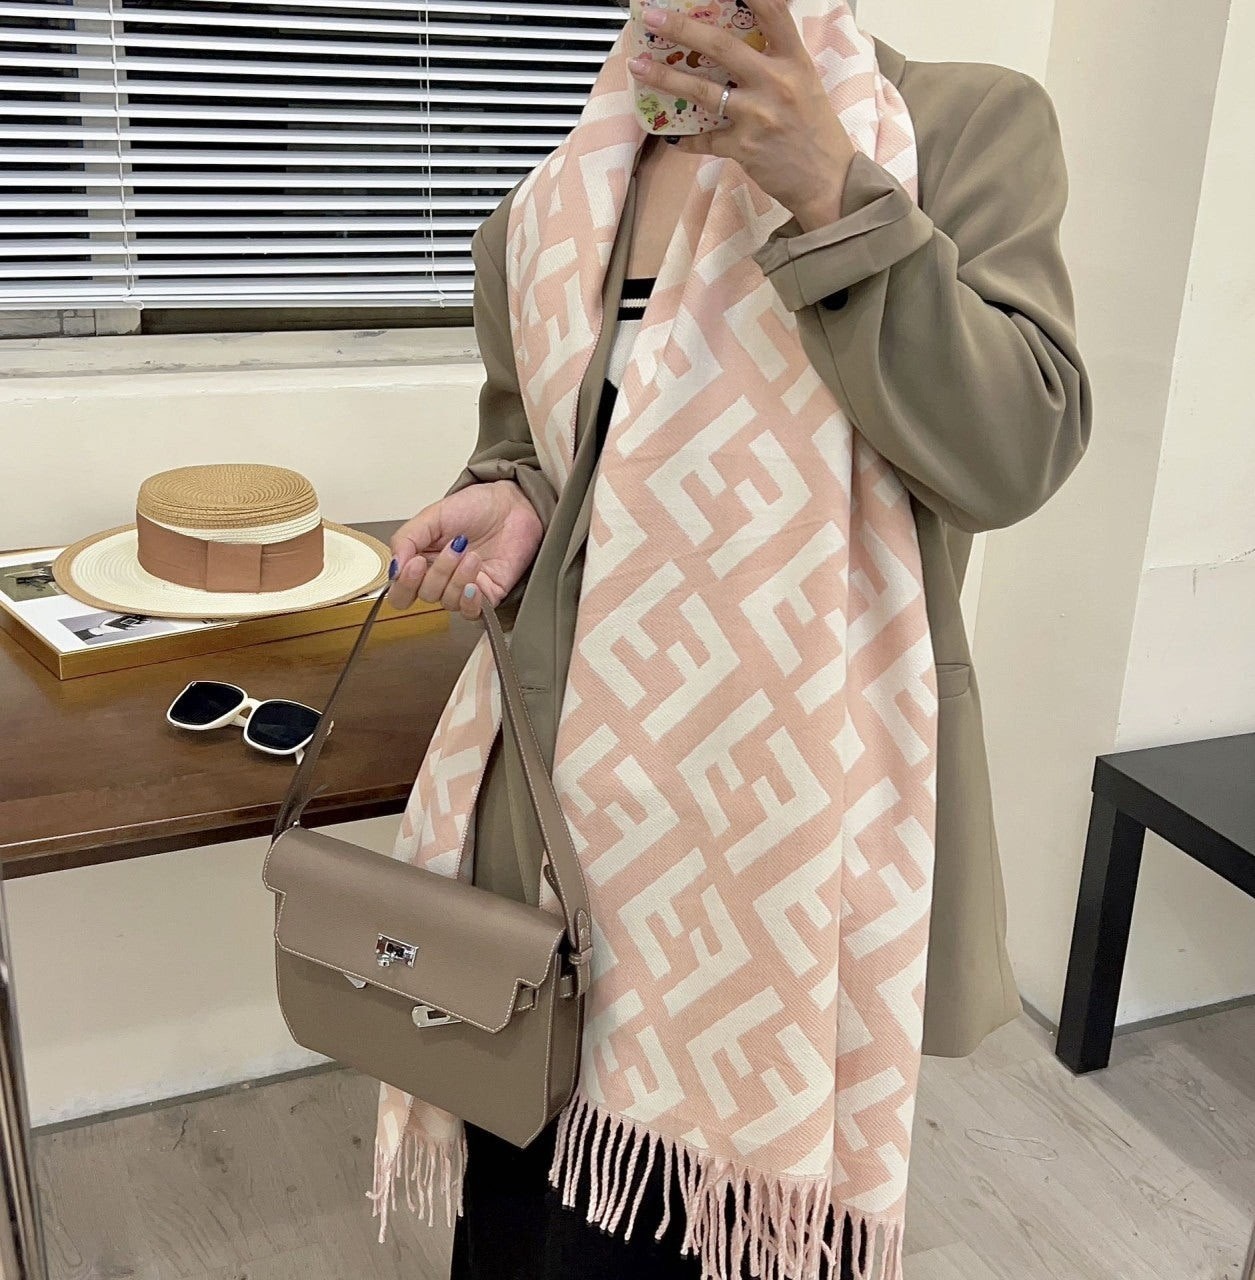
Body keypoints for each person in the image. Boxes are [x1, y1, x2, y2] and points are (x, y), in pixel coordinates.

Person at [384, 1, 1093, 1277]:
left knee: (713, 1236)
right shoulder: (559, 195)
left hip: (774, 836)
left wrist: (831, 190)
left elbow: (1012, 452)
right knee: (520, 1225)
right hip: (549, 811)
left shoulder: (956, 127)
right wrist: (514, 493)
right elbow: (544, 441)